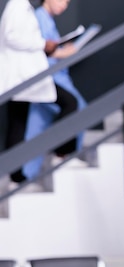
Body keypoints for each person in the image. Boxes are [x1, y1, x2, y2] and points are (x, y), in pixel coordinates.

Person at [0, 0, 71, 184]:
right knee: (69, 103)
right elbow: (11, 36)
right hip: (22, 77)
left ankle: (16, 174)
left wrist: (44, 47)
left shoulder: (24, 7)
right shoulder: (17, 5)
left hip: (26, 76)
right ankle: (60, 152)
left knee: (17, 124)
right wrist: (42, 44)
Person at [21, 0, 86, 181]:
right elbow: (39, 48)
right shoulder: (38, 17)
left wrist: (62, 49)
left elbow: (47, 46)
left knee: (38, 126)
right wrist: (62, 53)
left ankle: (26, 175)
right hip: (46, 78)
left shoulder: (46, 19)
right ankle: (63, 156)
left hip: (52, 77)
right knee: (75, 107)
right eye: (62, 0)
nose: (64, 6)